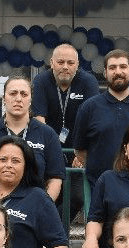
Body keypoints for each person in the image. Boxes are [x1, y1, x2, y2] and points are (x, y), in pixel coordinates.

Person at [72, 49, 129, 193]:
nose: (118, 71)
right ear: (105, 73)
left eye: (123, 67)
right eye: (112, 67)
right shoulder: (89, 107)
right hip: (102, 190)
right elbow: (80, 150)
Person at [32, 43, 99, 220]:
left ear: (77, 65)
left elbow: (92, 121)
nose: (65, 67)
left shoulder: (88, 82)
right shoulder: (41, 81)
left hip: (78, 150)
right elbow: (39, 120)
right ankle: (48, 234)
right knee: (48, 196)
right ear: (51, 62)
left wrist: (82, 152)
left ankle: (56, 231)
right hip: (48, 149)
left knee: (77, 198)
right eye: (60, 62)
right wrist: (52, 151)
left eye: (70, 63)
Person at [0, 74, 65, 201]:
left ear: (31, 99)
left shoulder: (47, 134)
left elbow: (55, 179)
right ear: (4, 98)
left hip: (34, 208)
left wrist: (44, 208)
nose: (18, 98)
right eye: (13, 93)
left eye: (24, 94)